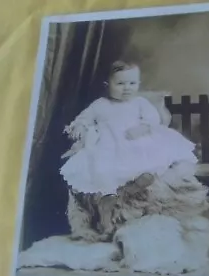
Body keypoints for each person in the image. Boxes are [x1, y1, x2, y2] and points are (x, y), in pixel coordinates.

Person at [60, 60, 198, 195]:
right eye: (120, 84)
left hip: (136, 139)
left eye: (132, 83)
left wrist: (143, 128)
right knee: (102, 166)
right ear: (107, 85)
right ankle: (119, 190)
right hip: (110, 144)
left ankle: (141, 181)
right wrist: (79, 126)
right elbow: (85, 118)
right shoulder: (100, 104)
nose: (127, 88)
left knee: (148, 156)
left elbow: (153, 119)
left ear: (138, 84)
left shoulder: (139, 102)